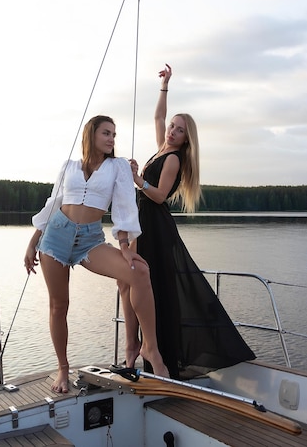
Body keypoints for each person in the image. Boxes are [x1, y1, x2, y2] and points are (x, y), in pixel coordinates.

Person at [118, 65, 255, 379]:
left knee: (152, 287)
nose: (171, 131)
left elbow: (160, 196)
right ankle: (138, 351)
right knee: (132, 282)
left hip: (155, 226)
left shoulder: (174, 158)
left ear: (186, 138)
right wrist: (165, 86)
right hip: (143, 225)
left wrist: (137, 178)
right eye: (173, 126)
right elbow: (157, 118)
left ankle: (157, 358)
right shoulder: (162, 148)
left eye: (179, 129)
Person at [24, 115, 169, 393]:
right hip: (55, 237)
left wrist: (125, 247)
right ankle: (63, 370)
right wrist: (33, 241)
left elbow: (126, 207)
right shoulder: (68, 166)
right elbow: (54, 202)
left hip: (89, 241)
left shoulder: (118, 167)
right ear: (91, 135)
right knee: (59, 305)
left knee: (139, 272)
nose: (112, 139)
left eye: (114, 134)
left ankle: (150, 349)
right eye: (106, 133)